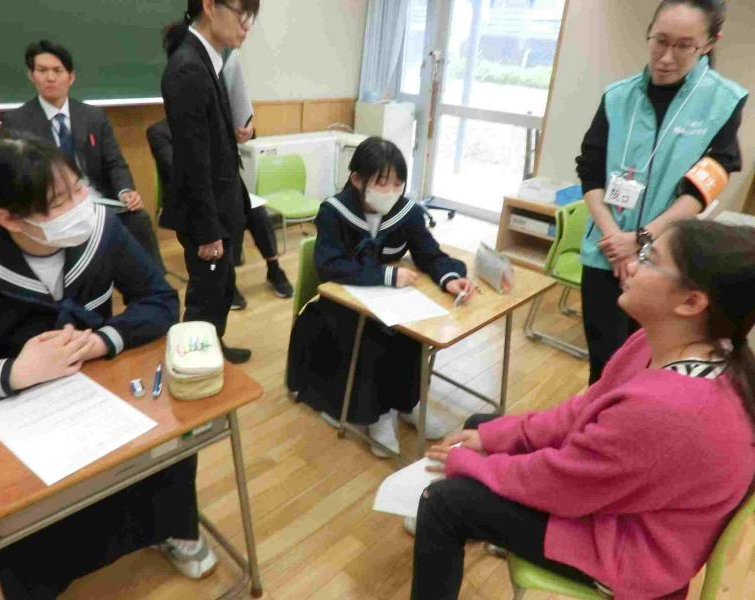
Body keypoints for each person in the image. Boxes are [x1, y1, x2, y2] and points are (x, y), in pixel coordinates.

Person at [411, 219, 755, 599]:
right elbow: (582, 410)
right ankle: (486, 519)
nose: (631, 264)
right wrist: (493, 438)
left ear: (691, 302)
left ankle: (470, 517)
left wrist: (472, 465)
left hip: (626, 549)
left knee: (443, 503)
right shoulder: (668, 342)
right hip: (615, 501)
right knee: (482, 427)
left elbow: (561, 485)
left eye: (649, 259)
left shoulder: (672, 411)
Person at [0, 131, 217, 599]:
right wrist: (13, 372)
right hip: (8, 413)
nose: (82, 206)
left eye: (79, 187)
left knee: (170, 428)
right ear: (9, 218)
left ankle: (170, 527)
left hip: (96, 386)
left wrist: (100, 340)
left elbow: (159, 299)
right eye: (60, 202)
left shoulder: (100, 228)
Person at [576, 0, 747, 383]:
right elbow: (590, 171)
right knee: (603, 367)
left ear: (709, 43)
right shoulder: (618, 96)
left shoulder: (723, 101)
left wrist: (640, 240)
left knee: (649, 369)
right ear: (649, 33)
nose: (666, 57)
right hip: (605, 252)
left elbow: (704, 185)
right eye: (660, 41)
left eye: (684, 46)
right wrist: (615, 239)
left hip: (663, 261)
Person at [287, 137, 476, 457]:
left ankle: (407, 404)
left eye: (398, 183)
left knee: (413, 333)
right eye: (381, 182)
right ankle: (377, 415)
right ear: (356, 179)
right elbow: (330, 266)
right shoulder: (334, 211)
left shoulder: (408, 213)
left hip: (390, 300)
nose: (391, 191)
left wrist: (450, 278)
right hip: (342, 301)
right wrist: (387, 276)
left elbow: (429, 254)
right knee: (373, 336)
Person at [2, 39, 166, 273]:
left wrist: (125, 191)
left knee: (136, 218)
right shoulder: (16, 121)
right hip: (53, 205)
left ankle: (153, 282)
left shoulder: (93, 116)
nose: (50, 78)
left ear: (71, 77)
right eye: (42, 70)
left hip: (97, 200)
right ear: (31, 75)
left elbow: (114, 163)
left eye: (57, 70)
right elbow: (18, 177)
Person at [160, 0, 260, 365]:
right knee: (205, 298)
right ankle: (191, 366)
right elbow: (193, 160)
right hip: (206, 214)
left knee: (220, 290)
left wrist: (235, 131)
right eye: (242, 14)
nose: (246, 26)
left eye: (251, 18)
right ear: (209, 6)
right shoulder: (188, 66)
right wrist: (208, 231)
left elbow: (209, 138)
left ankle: (212, 348)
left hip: (220, 203)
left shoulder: (206, 58)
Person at [146, 117, 294, 308]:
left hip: (224, 191)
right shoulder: (158, 131)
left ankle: (274, 269)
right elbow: (176, 170)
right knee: (223, 217)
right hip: (190, 198)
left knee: (257, 213)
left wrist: (247, 131)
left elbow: (245, 137)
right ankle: (226, 281)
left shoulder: (210, 122)